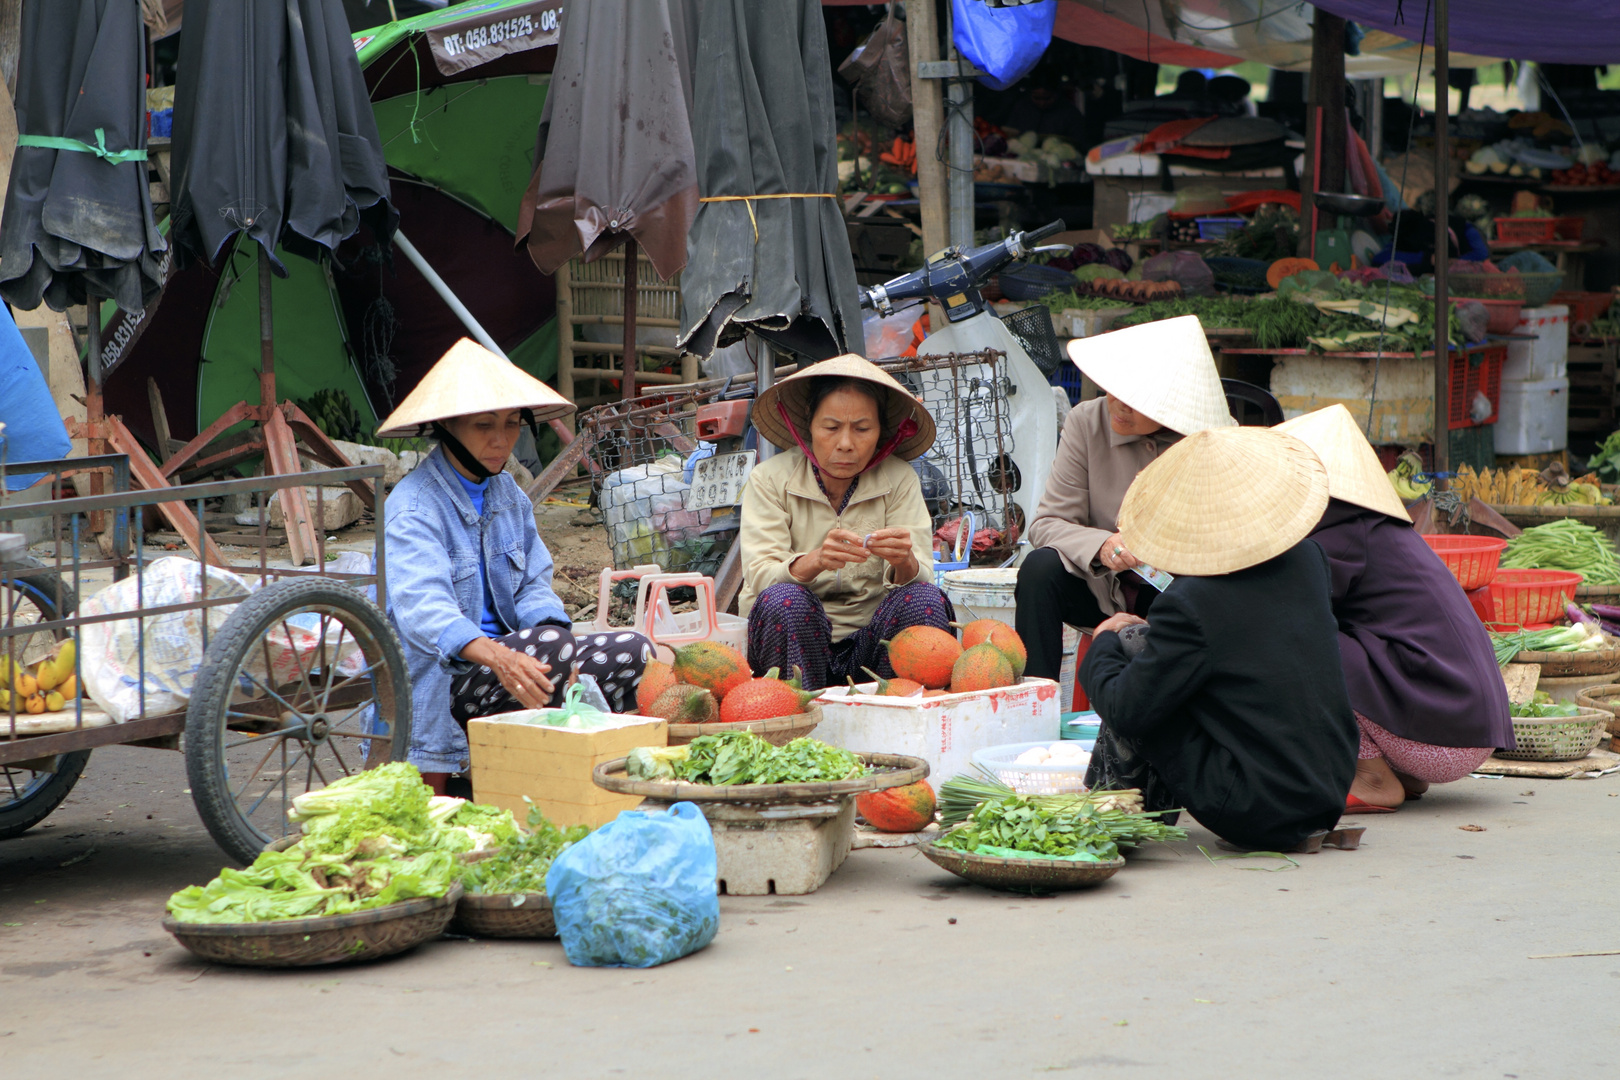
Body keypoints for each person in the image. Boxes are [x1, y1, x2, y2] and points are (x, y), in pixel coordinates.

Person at [380, 339, 654, 793]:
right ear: (447, 427)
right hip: (448, 678)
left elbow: (532, 585)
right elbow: (422, 608)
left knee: (635, 650)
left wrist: (552, 638)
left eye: (511, 425)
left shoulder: (508, 494)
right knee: (551, 648)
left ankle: (571, 776)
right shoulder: (414, 507)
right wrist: (501, 655)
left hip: (523, 661)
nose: (501, 440)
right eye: (484, 426)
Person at [1079, 427, 1359, 852]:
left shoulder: (1191, 604)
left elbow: (1124, 709)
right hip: (1328, 789)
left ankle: (1112, 818)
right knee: (1156, 657)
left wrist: (1103, 643)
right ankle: (1140, 812)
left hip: (1256, 808)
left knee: (1131, 649)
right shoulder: (1308, 557)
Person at [1277, 405, 1513, 812]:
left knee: (1290, 636)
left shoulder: (1341, 529)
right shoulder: (1373, 525)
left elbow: (1283, 608)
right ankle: (1399, 772)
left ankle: (1371, 777)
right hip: (1464, 730)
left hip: (1443, 736)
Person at [1016, 315, 1235, 682]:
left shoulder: (1213, 438)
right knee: (1039, 569)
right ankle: (1037, 700)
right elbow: (1048, 524)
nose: (1117, 404)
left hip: (1180, 592)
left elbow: (1227, 545)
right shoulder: (1087, 422)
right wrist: (1103, 546)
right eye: (1113, 390)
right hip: (1102, 588)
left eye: (1136, 400)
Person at [738, 354, 952, 690]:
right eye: (831, 427)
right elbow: (761, 577)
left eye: (863, 429)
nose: (846, 443)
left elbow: (922, 572)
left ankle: (900, 723)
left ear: (881, 431)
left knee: (925, 599)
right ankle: (797, 718)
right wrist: (815, 561)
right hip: (797, 642)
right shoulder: (769, 479)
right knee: (784, 600)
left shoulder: (899, 479)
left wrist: (903, 561)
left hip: (871, 645)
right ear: (809, 426)